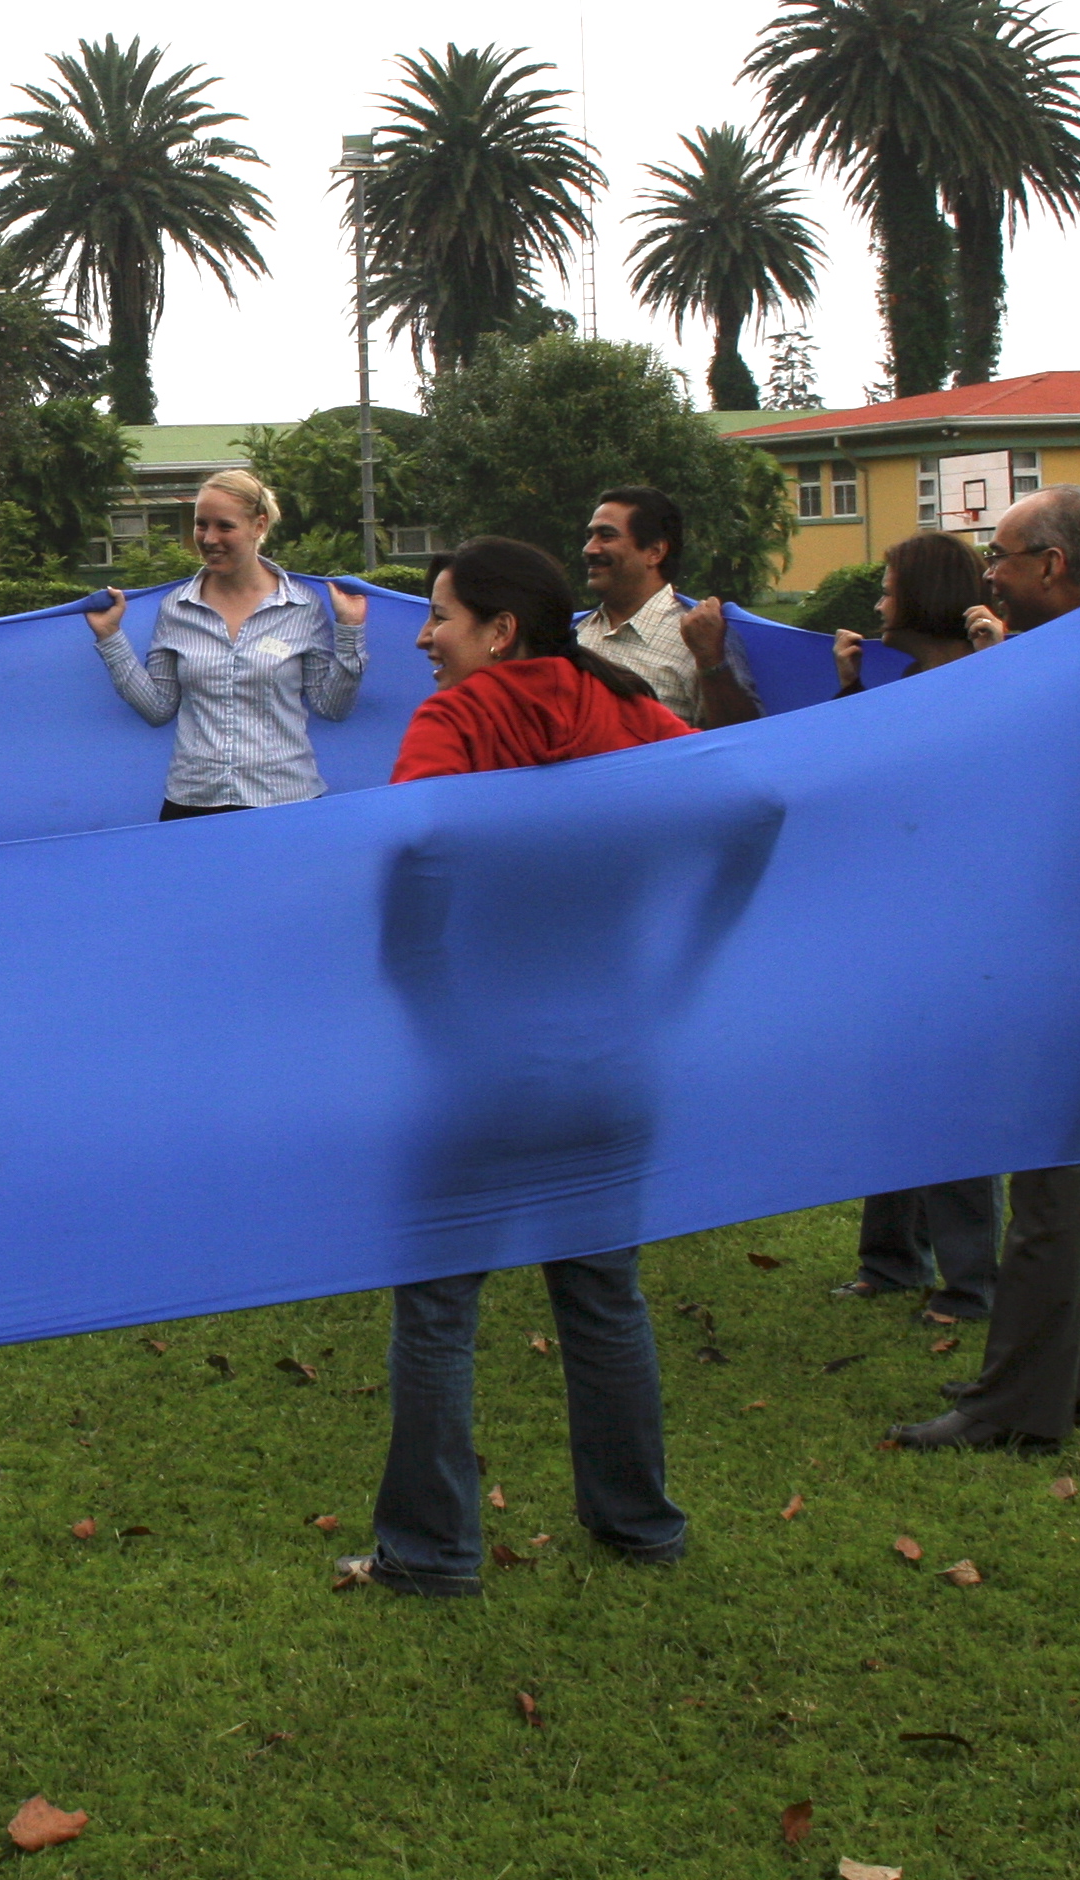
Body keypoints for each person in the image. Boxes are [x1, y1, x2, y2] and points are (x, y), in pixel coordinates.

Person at [336, 537, 696, 1594]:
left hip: (480, 1052)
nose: (422, 636)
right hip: (614, 1044)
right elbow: (746, 801)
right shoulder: (631, 711)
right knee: (603, 1293)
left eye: (438, 615)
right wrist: (682, 950)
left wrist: (418, 983)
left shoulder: (458, 718)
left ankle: (430, 1552)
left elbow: (411, 847)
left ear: (499, 630)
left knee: (438, 1305)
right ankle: (639, 1525)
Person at [892, 488, 1080, 1454]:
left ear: (1053, 564)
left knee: (1054, 1183)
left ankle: (1016, 1409)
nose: (988, 573)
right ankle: (1055, 1383)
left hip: (1076, 954)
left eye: (1000, 555)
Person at [826, 530, 1001, 1321]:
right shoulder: (903, 681)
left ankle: (970, 1284)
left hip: (961, 928)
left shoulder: (990, 681)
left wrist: (995, 667)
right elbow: (858, 781)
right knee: (891, 1091)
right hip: (893, 922)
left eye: (890, 587)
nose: (879, 601)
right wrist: (850, 690)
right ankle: (891, 1260)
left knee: (950, 1104)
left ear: (924, 594)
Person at [83, 469, 366, 818]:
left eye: (225, 526)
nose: (209, 538)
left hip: (286, 802)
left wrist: (350, 629)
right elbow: (157, 709)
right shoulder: (176, 607)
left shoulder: (303, 606)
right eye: (201, 524)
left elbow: (332, 707)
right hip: (193, 803)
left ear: (259, 526)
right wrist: (110, 637)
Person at [577, 487, 760, 729]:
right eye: (589, 536)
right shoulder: (575, 631)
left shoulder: (704, 635)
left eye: (606, 536)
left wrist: (710, 661)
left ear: (655, 552)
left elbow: (741, 735)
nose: (589, 549)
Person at [832, 529, 990, 697]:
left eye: (886, 593)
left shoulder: (983, 684)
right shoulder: (917, 680)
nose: (878, 607)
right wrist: (850, 684)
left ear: (921, 597)